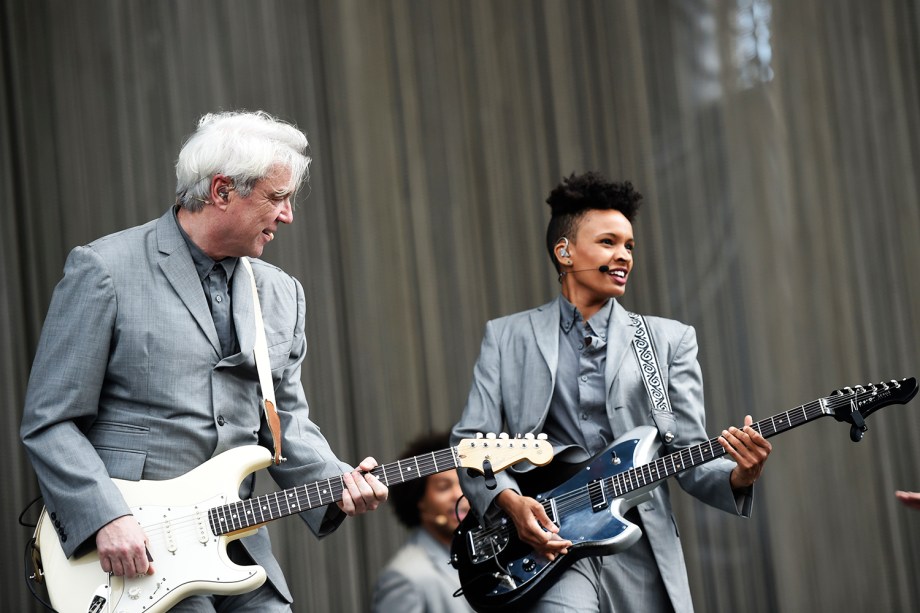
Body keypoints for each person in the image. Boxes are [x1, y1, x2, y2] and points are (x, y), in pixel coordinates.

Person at [19, 110, 388, 612]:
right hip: (134, 555)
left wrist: (337, 482)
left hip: (236, 547)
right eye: (276, 198)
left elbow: (286, 422)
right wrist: (104, 517)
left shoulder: (282, 293)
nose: (288, 216)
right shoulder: (104, 269)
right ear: (221, 191)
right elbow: (51, 421)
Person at [450, 171, 772, 612]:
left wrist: (740, 475)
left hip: (639, 547)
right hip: (548, 545)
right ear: (564, 252)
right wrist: (510, 502)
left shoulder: (668, 341)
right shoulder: (507, 337)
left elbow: (692, 457)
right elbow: (471, 442)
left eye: (629, 246)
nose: (624, 256)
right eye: (608, 243)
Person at [371, 431, 473, 613]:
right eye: (444, 487)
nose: (459, 495)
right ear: (419, 500)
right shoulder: (404, 578)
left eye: (464, 482)